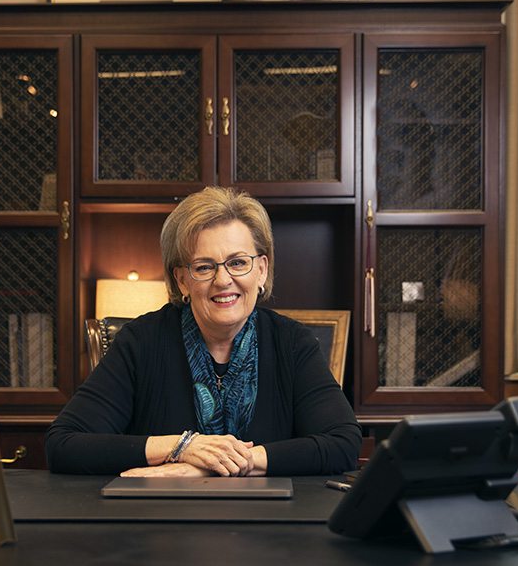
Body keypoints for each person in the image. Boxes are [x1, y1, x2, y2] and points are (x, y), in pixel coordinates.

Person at [46, 186, 361, 477]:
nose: (223, 280)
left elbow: (343, 443)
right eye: (204, 267)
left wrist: (223, 465)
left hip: (269, 527)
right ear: (182, 280)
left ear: (262, 269)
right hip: (161, 526)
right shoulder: (141, 342)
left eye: (238, 263)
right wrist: (183, 447)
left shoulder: (292, 342)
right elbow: (64, 445)